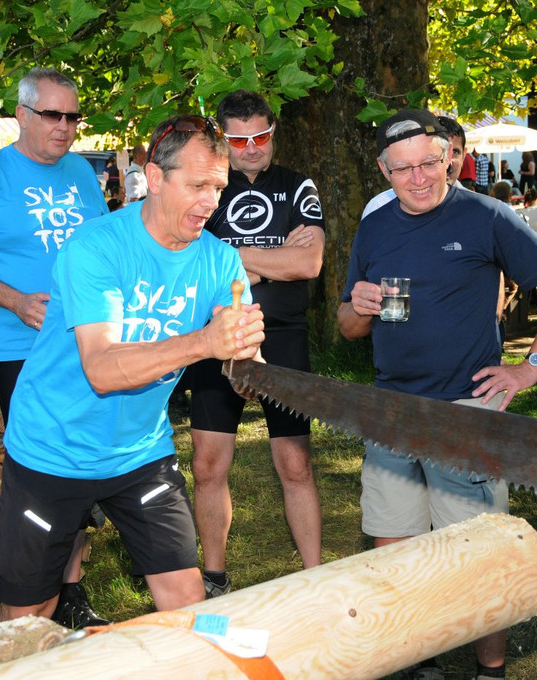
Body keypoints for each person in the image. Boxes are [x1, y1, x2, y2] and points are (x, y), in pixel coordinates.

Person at [338, 109, 537, 680]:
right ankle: (414, 657)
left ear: (449, 156)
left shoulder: (485, 215)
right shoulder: (375, 226)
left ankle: (488, 669)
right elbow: (348, 326)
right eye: (403, 169)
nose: (419, 177)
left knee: (476, 556)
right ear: (384, 171)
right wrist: (360, 306)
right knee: (395, 550)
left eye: (429, 162)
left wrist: (532, 365)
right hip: (392, 411)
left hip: (467, 408)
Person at [0, 113, 264, 623]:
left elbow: (241, 362)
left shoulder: (221, 261)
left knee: (187, 602)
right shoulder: (95, 248)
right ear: (155, 178)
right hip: (53, 449)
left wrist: (249, 363)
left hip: (140, 451)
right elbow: (102, 369)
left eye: (219, 187)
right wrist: (205, 341)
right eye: (198, 185)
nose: (211, 201)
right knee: (27, 617)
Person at [0, 66, 109, 629]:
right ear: (22, 114)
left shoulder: (82, 173)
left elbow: (102, 244)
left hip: (85, 339)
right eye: (52, 115)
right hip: (22, 346)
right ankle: (30, 594)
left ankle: (71, 591)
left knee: (82, 461)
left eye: (72, 117)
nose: (64, 127)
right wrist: (15, 301)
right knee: (42, 468)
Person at [189, 90, 325, 598]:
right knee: (208, 464)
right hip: (216, 334)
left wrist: (230, 256)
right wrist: (273, 259)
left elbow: (308, 263)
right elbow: (195, 265)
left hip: (283, 334)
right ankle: (215, 578)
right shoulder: (207, 188)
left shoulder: (297, 185)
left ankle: (315, 576)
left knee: (296, 463)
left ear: (273, 132)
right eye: (239, 139)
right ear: (221, 139)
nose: (251, 148)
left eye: (261, 136)